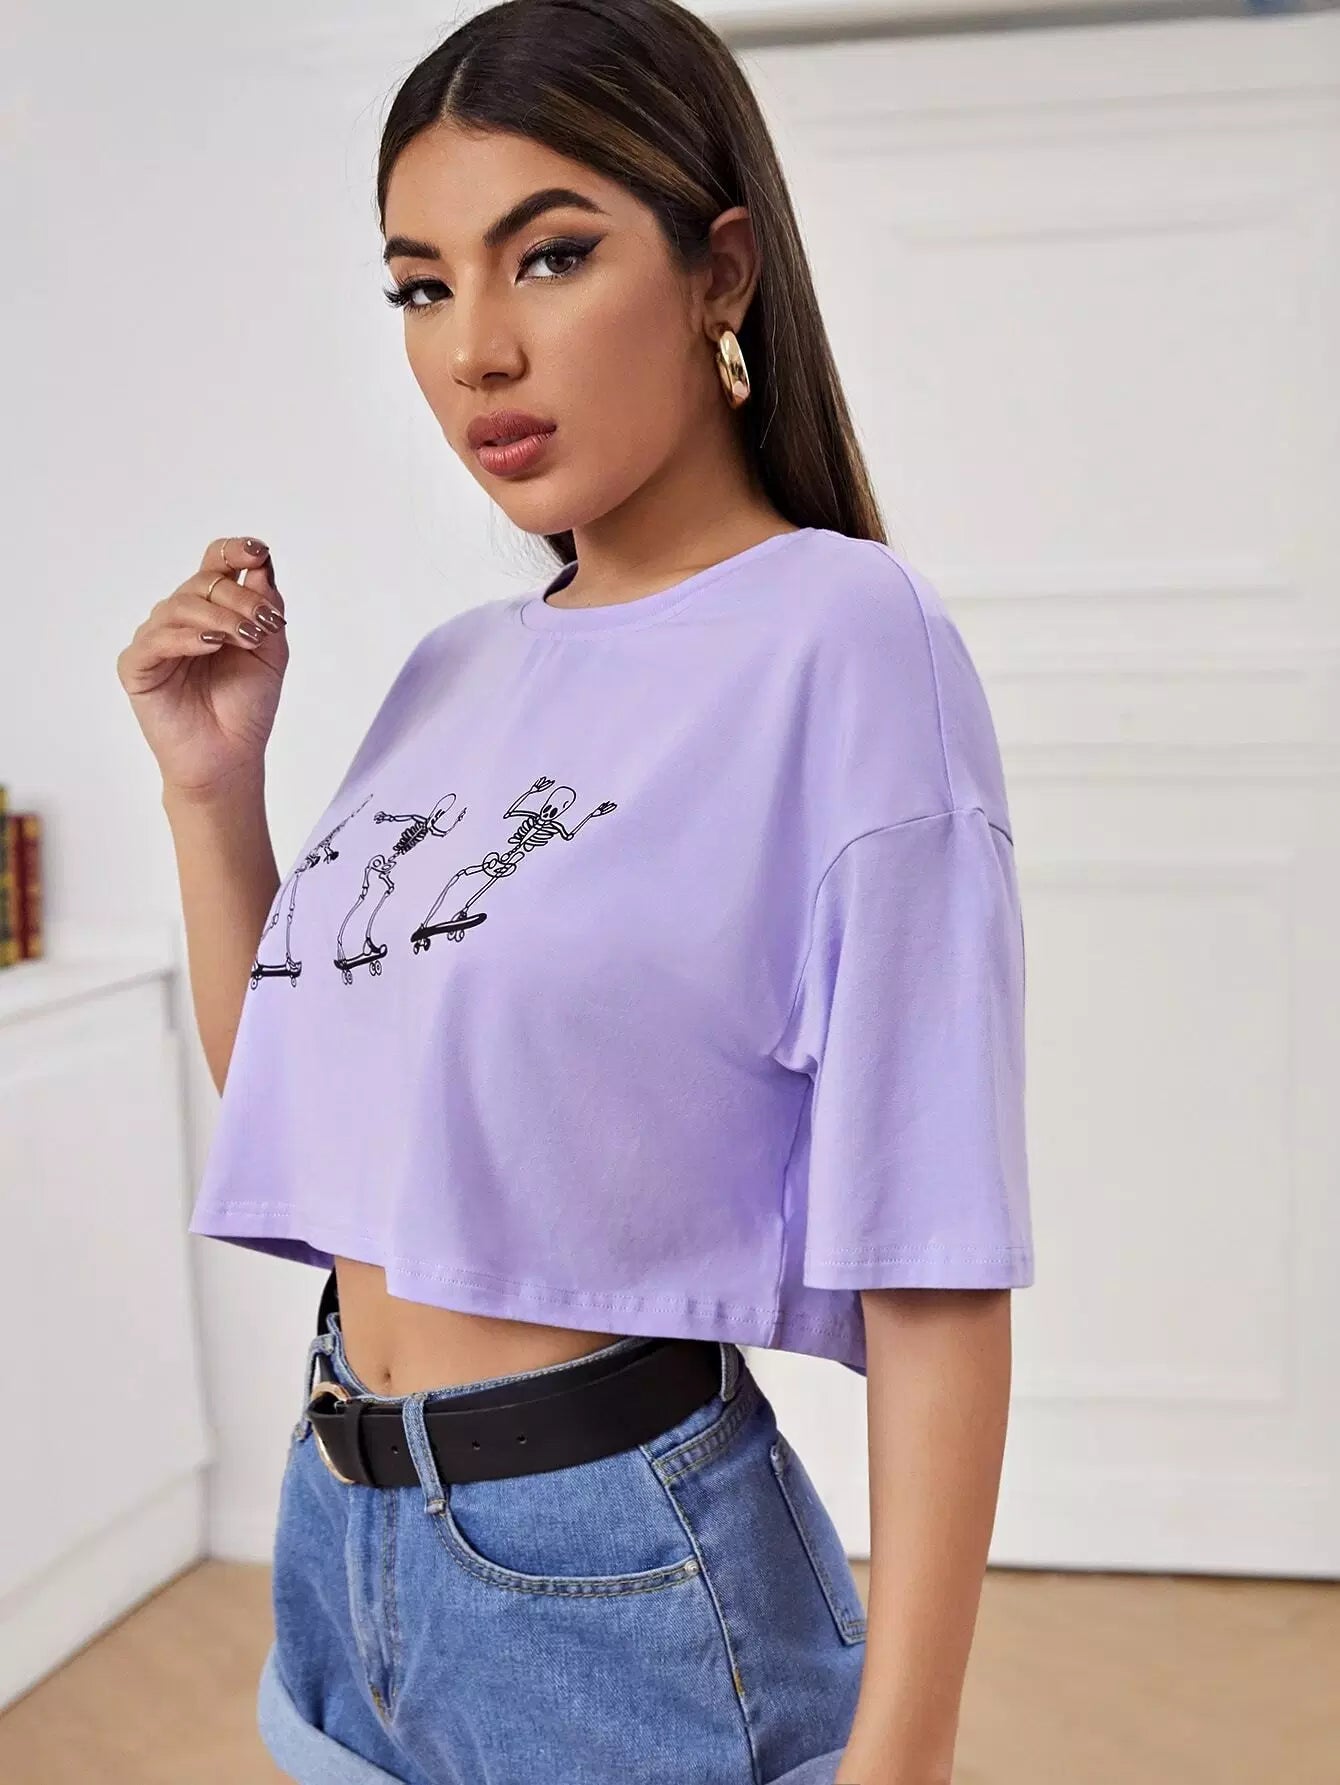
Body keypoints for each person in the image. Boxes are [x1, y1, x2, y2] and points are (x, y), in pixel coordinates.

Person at [116, 2, 1034, 1780]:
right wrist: (210, 793)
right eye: (422, 285)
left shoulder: (845, 639)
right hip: (343, 1531)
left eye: (548, 255)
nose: (477, 348)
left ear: (718, 272)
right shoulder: (454, 670)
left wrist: (904, 1757)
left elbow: (936, 1257)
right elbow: (316, 1121)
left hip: (609, 1570)